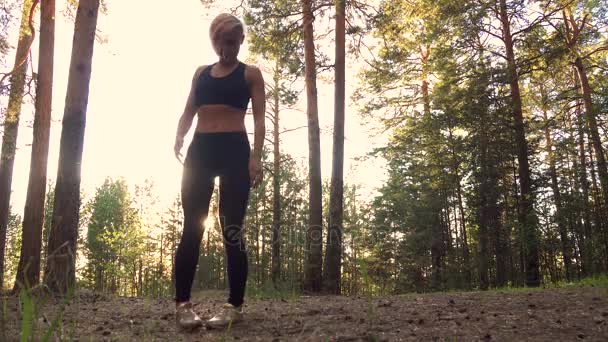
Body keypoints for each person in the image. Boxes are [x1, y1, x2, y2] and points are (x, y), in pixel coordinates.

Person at [172, 13, 265, 330]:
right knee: (191, 229)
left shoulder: (251, 74)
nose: (226, 48)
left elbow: (260, 120)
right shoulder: (200, 74)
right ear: (213, 41)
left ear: (240, 41)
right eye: (220, 42)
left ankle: (234, 305)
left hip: (235, 152)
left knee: (232, 229)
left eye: (232, 41)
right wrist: (179, 135)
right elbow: (188, 110)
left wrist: (256, 157)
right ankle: (183, 305)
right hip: (200, 151)